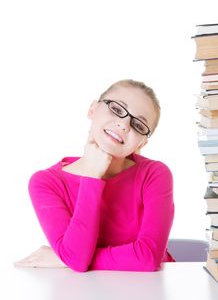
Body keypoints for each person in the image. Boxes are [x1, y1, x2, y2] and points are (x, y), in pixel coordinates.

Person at [28, 79, 175, 272]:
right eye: (116, 109)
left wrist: (64, 259)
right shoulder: (46, 182)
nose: (124, 125)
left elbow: (147, 257)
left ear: (142, 143)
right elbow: (76, 259)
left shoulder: (154, 174)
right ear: (93, 109)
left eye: (138, 125)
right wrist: (92, 177)